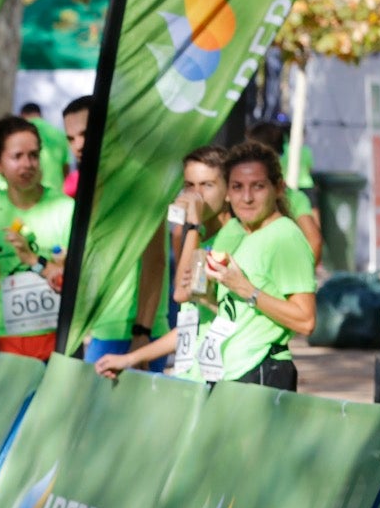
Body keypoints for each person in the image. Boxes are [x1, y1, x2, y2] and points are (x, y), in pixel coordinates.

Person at [97, 142, 315, 390]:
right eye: (238, 187)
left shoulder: (282, 236)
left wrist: (246, 289)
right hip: (219, 374)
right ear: (230, 192)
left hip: (259, 371)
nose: (246, 197)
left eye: (258, 186)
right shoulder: (243, 236)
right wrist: (132, 357)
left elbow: (306, 321)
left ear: (278, 188)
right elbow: (205, 316)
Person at [58, 94, 165, 361]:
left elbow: (155, 261)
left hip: (132, 334)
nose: (78, 145)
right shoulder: (89, 183)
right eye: (71, 138)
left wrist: (142, 332)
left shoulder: (140, 181)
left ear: (110, 127)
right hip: (98, 330)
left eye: (85, 133)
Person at [0, 115, 74, 363]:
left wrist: (37, 261)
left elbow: (71, 280)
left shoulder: (65, 208)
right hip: (7, 340)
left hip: (57, 339)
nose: (28, 164)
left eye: (34, 155)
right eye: (17, 156)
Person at [247, 120, 323, 264]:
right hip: (305, 186)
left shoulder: (292, 197)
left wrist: (302, 278)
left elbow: (315, 240)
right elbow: (316, 240)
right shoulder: (298, 151)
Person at [19, 102, 69, 195]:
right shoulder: (59, 134)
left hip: (29, 193)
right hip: (56, 194)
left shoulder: (20, 133)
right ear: (40, 115)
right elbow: (66, 168)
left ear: (22, 115)